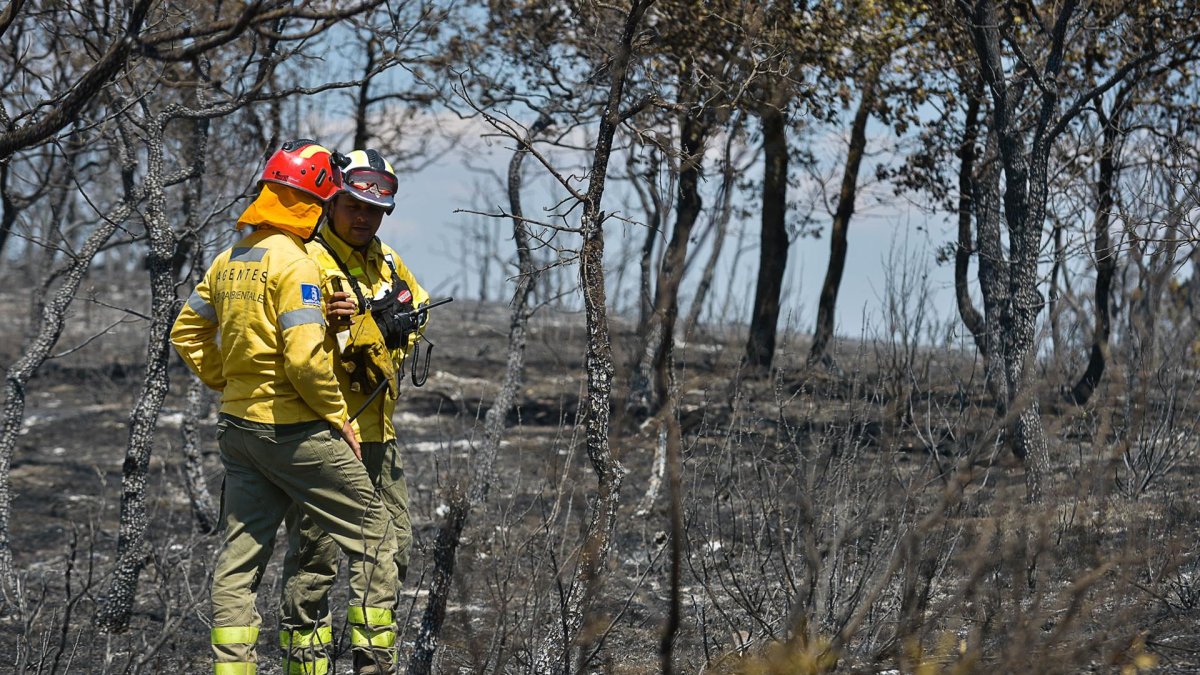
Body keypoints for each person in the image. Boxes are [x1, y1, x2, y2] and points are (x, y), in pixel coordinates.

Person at [170, 141, 399, 675]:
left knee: (240, 559)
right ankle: (373, 663)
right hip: (295, 430)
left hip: (237, 428)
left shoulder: (231, 259)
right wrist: (336, 416)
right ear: (319, 201)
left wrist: (226, 378)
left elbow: (186, 330)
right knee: (375, 535)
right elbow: (303, 358)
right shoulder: (296, 265)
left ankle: (233, 668)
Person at [278, 148, 428, 675]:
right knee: (314, 559)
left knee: (395, 546)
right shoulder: (307, 260)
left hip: (377, 432)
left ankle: (371, 660)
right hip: (324, 433)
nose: (363, 218)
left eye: (373, 210)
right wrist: (348, 325)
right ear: (332, 201)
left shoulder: (388, 263)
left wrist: (381, 332)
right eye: (353, 206)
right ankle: (306, 664)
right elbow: (302, 345)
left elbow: (418, 316)